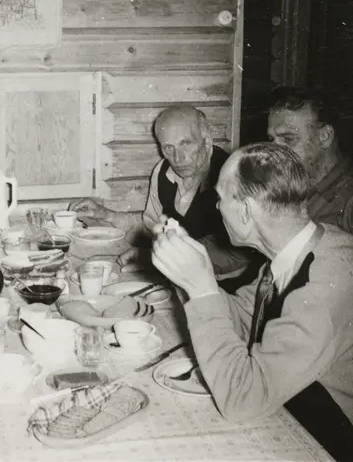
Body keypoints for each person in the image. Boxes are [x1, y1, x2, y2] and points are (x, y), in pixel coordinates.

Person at [151, 142, 353, 461]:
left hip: (333, 437)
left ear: (245, 211)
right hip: (300, 405)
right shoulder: (300, 248)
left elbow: (243, 400)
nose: (217, 207)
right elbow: (244, 320)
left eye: (221, 198)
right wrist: (188, 274)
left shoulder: (318, 288)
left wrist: (202, 290)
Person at [71, 105, 249, 277]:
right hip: (174, 277)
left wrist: (153, 258)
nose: (177, 158)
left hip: (226, 286)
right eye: (168, 147)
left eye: (186, 143)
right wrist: (106, 215)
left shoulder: (233, 176)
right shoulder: (162, 171)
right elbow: (151, 229)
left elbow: (237, 254)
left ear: (207, 141)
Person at [268, 86, 353, 232]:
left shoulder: (348, 202)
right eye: (271, 139)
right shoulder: (286, 185)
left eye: (288, 139)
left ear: (325, 136)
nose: (274, 151)